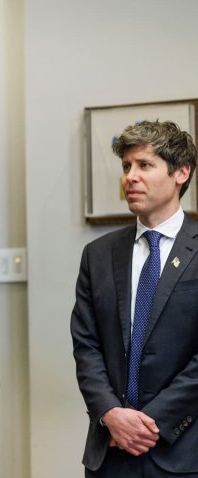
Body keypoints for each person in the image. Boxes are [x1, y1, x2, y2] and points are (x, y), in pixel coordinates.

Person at [71, 120, 198, 477]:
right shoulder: (98, 255)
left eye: (144, 165)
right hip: (110, 452)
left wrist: (150, 423)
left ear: (181, 173)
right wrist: (111, 414)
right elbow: (86, 345)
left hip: (183, 451)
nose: (130, 176)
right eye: (126, 166)